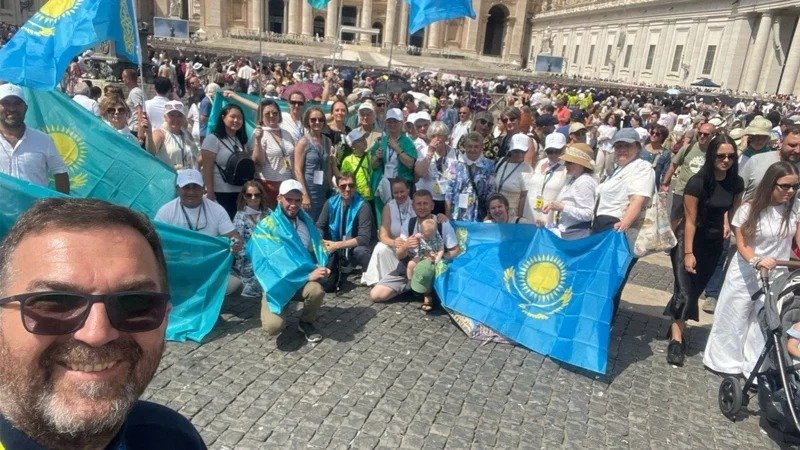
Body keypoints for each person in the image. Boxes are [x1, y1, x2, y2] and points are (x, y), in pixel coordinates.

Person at [0, 197, 207, 449]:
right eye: (54, 303)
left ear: (165, 318)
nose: (97, 333)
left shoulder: (172, 439)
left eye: (136, 303)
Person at [704, 162, 800, 377]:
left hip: (776, 273)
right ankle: (724, 362)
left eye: (795, 186)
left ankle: (754, 368)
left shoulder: (795, 208)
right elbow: (742, 244)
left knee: (764, 320)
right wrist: (756, 260)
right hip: (746, 270)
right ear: (770, 184)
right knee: (735, 315)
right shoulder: (749, 208)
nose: (791, 191)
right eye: (785, 186)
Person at [664, 135, 743, 366]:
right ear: (711, 156)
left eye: (730, 156)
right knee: (685, 291)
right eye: (721, 156)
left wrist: (729, 228)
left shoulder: (736, 183)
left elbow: (734, 213)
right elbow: (689, 220)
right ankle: (677, 341)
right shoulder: (697, 183)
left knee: (693, 291)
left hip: (714, 244)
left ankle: (676, 325)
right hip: (689, 240)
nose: (726, 160)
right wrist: (688, 253)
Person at [593, 128, 656, 318]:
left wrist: (623, 226)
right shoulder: (619, 169)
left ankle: (604, 322)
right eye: (618, 146)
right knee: (600, 279)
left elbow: (639, 198)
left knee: (611, 281)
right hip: (602, 229)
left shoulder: (642, 168)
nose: (621, 150)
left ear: (637, 147)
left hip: (616, 231)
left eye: (627, 146)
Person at [260, 180, 330, 343]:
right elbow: (270, 266)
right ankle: (271, 304)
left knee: (316, 290)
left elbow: (315, 251)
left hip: (300, 282)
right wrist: (306, 276)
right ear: (279, 198)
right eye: (289, 199)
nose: (293, 204)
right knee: (273, 327)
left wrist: (321, 265)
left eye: (297, 200)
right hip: (276, 285)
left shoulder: (306, 223)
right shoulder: (268, 226)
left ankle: (306, 322)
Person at [370, 190, 461, 306]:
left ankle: (425, 291)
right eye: (418, 204)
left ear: (432, 206)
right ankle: (412, 286)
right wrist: (406, 245)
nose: (422, 207)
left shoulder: (441, 223)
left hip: (432, 269)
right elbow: (399, 255)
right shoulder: (409, 223)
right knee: (376, 295)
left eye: (425, 203)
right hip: (409, 266)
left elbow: (456, 250)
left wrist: (439, 257)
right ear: (413, 206)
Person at [0, 84, 69, 194]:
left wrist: (63, 208)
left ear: (26, 108)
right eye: (6, 103)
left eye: (17, 103)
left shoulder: (43, 140)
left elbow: (60, 172)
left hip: (34, 210)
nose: (12, 108)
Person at [316, 172, 374, 292]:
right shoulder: (330, 203)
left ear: (356, 187)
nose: (347, 189)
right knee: (328, 284)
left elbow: (364, 238)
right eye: (343, 186)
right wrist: (321, 242)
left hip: (357, 247)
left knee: (361, 251)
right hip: (336, 246)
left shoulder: (363, 206)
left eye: (351, 185)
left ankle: (369, 272)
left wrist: (336, 245)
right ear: (337, 188)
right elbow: (319, 226)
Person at [200, 103, 251, 219]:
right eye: (233, 117)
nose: (236, 120)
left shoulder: (241, 141)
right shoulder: (212, 139)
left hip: (240, 194)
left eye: (240, 118)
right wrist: (210, 193)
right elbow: (207, 168)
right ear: (223, 118)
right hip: (220, 193)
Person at [660, 122, 716, 224]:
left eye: (706, 134)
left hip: (701, 194)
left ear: (712, 136)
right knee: (675, 219)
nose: (702, 136)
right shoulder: (687, 148)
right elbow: (673, 165)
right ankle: (672, 239)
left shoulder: (714, 153)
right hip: (682, 191)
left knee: (693, 222)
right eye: (700, 133)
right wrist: (665, 183)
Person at [362, 178, 413, 286]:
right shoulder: (388, 207)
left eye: (402, 191)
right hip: (396, 246)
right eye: (396, 192)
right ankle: (386, 281)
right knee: (381, 248)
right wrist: (394, 242)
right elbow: (383, 235)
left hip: (412, 248)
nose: (399, 195)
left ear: (408, 190)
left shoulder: (415, 205)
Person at [542, 143, 597, 239]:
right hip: (567, 231)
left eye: (570, 162)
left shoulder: (584, 182)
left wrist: (563, 208)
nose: (565, 165)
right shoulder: (573, 179)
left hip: (576, 233)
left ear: (581, 165)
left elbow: (588, 214)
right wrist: (553, 205)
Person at [251, 99, 296, 209]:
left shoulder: (286, 133)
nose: (272, 116)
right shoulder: (258, 133)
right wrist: (257, 140)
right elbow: (258, 161)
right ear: (261, 116)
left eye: (275, 113)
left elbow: (292, 158)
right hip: (268, 186)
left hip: (287, 185)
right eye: (267, 113)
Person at [294, 106, 336, 222]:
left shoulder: (327, 141)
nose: (317, 122)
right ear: (308, 121)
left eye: (320, 119)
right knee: (309, 221)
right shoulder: (303, 142)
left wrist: (330, 186)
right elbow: (297, 170)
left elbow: (327, 166)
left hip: (323, 189)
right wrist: (304, 194)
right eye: (313, 119)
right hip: (309, 189)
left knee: (321, 222)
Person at [739, 124, 800, 198]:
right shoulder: (756, 160)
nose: (797, 151)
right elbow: (739, 193)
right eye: (792, 145)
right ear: (781, 141)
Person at [233, 181, 271, 299]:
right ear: (244, 196)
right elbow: (239, 244)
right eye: (249, 195)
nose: (253, 198)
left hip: (268, 255)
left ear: (261, 195)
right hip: (248, 259)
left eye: (257, 194)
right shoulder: (240, 216)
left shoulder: (269, 213)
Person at [447, 131, 495, 221]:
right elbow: (449, 192)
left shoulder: (489, 165)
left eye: (476, 146)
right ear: (465, 146)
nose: (473, 149)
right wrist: (448, 215)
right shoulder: (455, 165)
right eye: (470, 146)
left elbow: (491, 192)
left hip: (481, 214)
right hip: (459, 215)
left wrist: (489, 215)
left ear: (481, 148)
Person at [522, 133, 568, 226]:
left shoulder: (567, 169)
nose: (553, 154)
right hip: (530, 212)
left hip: (549, 216)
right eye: (550, 151)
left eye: (557, 151)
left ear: (564, 149)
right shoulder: (540, 163)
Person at [416, 121, 457, 215]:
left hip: (447, 201)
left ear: (446, 137)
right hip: (429, 200)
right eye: (434, 136)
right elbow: (419, 173)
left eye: (440, 135)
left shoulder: (454, 153)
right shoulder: (423, 152)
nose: (437, 139)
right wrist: (430, 153)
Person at [404, 217, 444, 313]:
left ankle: (428, 296)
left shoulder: (438, 239)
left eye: (428, 237)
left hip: (432, 258)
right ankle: (410, 281)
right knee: (410, 264)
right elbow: (415, 239)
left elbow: (441, 250)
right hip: (422, 255)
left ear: (435, 233)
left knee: (427, 276)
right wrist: (416, 238)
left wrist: (437, 258)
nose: (425, 238)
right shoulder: (421, 234)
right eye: (424, 235)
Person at [152, 100, 200, 170]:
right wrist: (148, 133)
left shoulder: (187, 134)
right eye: (172, 115)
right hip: (168, 179)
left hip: (188, 178)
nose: (176, 119)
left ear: (183, 118)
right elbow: (151, 152)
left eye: (179, 116)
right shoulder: (160, 134)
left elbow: (197, 156)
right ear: (165, 117)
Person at [340, 128, 373, 205]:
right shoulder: (347, 160)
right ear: (353, 145)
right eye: (360, 140)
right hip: (356, 197)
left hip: (371, 196)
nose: (364, 141)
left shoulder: (370, 155)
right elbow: (344, 178)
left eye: (364, 138)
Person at [122, 68, 146, 141]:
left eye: (123, 77)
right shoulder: (136, 91)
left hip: (135, 129)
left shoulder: (135, 92)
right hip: (132, 127)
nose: (122, 79)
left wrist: (140, 130)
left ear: (128, 78)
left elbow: (140, 110)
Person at [595, 112, 619, 180]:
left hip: (609, 150)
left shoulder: (614, 128)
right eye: (610, 117)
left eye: (613, 119)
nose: (611, 119)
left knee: (608, 168)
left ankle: (606, 180)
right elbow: (597, 134)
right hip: (601, 147)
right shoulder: (602, 126)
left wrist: (599, 138)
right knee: (598, 164)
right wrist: (599, 137)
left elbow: (606, 137)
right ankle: (597, 179)